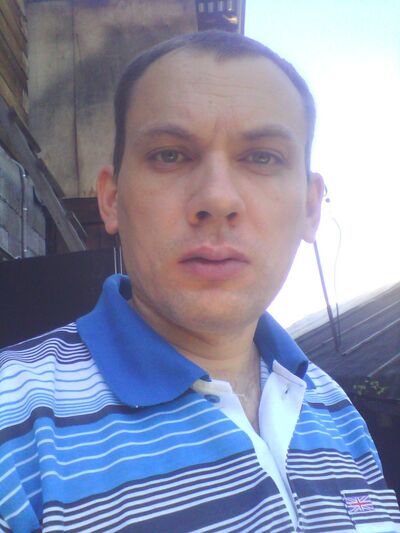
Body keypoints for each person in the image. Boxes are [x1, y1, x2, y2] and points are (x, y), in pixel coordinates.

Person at [0, 30, 399, 533]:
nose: (217, 198)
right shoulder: (13, 425)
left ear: (310, 207)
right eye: (170, 154)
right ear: (112, 199)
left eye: (262, 157)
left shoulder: (337, 410)